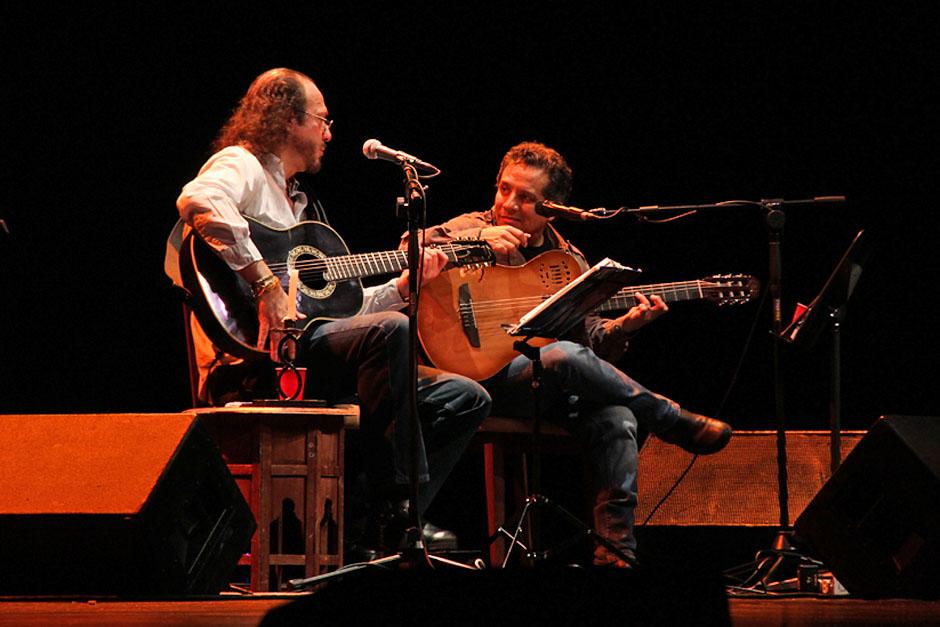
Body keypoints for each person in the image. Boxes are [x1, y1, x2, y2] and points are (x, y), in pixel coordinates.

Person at [165, 68, 491, 554]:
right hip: (261, 359)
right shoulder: (243, 165)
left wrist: (406, 284)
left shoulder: (305, 205)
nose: (330, 133)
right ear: (289, 121)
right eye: (322, 120)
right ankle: (399, 513)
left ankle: (374, 522)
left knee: (466, 396)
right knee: (391, 332)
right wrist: (264, 282)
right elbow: (198, 198)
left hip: (312, 350)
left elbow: (348, 310)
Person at [404, 141, 732, 568]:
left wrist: (623, 327)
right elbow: (409, 246)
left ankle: (615, 553)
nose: (510, 204)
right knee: (561, 356)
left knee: (618, 417)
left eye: (526, 198)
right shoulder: (475, 225)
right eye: (505, 190)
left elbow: (587, 342)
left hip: (542, 388)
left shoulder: (568, 260)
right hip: (475, 377)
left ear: (553, 207)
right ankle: (671, 419)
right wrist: (477, 239)